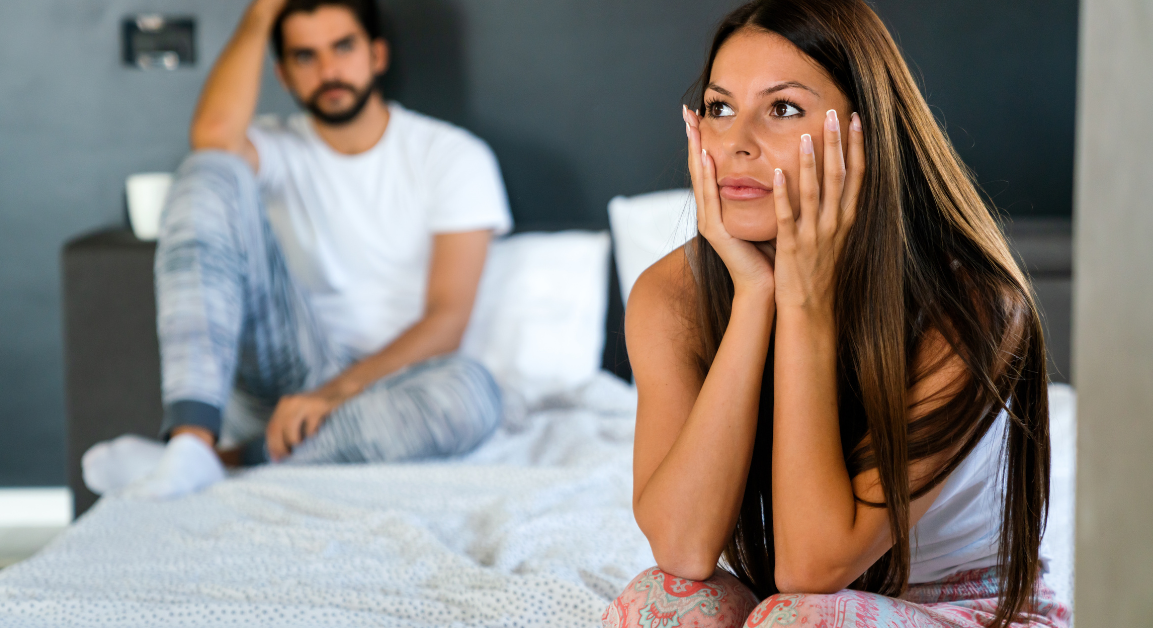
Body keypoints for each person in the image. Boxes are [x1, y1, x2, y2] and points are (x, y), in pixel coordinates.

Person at [603, 1, 1070, 627]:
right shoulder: (670, 295)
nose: (736, 143)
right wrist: (754, 297)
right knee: (658, 602)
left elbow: (811, 569)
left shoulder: (972, 308)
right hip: (786, 609)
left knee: (802, 617)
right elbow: (683, 549)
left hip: (968, 608)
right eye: (719, 108)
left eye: (783, 109)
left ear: (863, 131)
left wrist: (804, 302)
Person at [83, 0, 511, 499]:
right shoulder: (275, 147)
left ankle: (226, 462)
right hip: (282, 369)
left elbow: (448, 319)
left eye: (343, 47)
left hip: (389, 387)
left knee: (472, 394)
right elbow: (213, 137)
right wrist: (261, 13)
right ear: (283, 74)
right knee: (210, 167)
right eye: (305, 56)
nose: (328, 71)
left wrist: (334, 393)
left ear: (377, 55)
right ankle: (192, 436)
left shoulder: (452, 157)